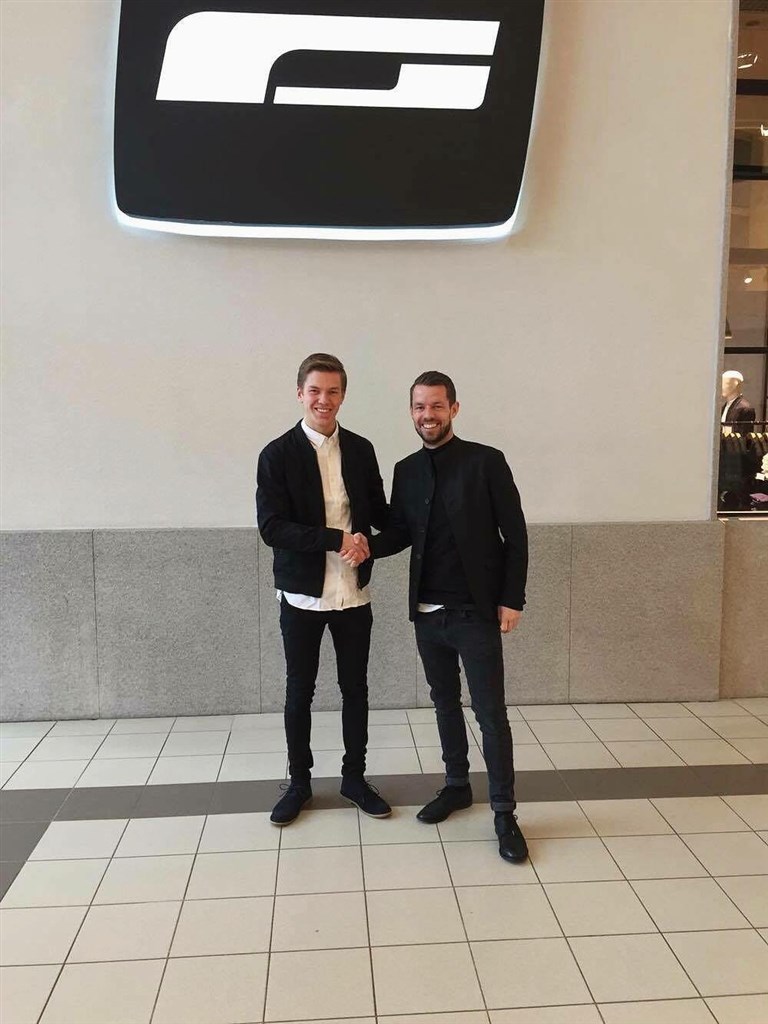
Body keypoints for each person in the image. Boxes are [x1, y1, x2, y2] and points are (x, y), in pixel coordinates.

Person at [354, 370, 529, 862]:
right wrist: (366, 546)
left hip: (475, 613)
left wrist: (512, 599)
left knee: (490, 714)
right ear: (411, 412)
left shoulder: (486, 462)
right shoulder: (407, 470)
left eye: (436, 405)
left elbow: (515, 534)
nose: (427, 415)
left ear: (453, 408)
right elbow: (400, 533)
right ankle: (457, 785)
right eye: (419, 407)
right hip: (427, 615)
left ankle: (504, 813)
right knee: (444, 703)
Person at [256, 353, 391, 825]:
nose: (323, 400)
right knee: (300, 690)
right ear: (300, 394)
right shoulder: (276, 455)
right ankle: (299, 783)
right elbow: (272, 527)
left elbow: (379, 513)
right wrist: (336, 539)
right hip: (302, 596)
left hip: (353, 593)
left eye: (333, 391)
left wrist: (371, 543)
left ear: (343, 396)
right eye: (314, 390)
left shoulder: (361, 449)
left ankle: (355, 778)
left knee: (356, 689)